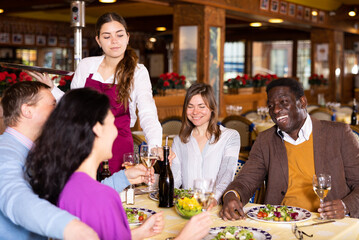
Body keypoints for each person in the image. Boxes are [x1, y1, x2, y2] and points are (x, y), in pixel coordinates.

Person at [25, 88, 212, 240]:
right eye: (113, 124)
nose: (116, 133)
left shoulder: (65, 182)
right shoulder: (103, 199)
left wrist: (137, 234)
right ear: (97, 129)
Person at [0, 81, 152, 240]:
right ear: (27, 110)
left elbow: (79, 195)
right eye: (53, 104)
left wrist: (124, 177)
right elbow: (15, 197)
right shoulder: (4, 151)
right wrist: (70, 227)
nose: (60, 111)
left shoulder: (36, 150)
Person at [219, 78, 359, 221]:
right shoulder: (265, 140)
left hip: (330, 222)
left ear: (302, 102)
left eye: (283, 102)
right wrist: (231, 196)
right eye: (271, 105)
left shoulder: (339, 133)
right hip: (282, 223)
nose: (275, 110)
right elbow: (245, 182)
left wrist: (345, 206)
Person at [30, 12, 162, 174]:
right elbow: (74, 106)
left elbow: (148, 113)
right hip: (84, 143)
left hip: (118, 146)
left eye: (119, 35)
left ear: (127, 37)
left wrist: (155, 146)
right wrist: (52, 89)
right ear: (98, 40)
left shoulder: (138, 71)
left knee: (115, 192)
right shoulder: (86, 65)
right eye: (107, 36)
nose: (114, 41)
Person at [171, 83, 240, 205]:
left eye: (201, 106)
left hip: (216, 207)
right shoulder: (179, 140)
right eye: (190, 106)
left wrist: (213, 199)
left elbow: (227, 173)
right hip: (187, 206)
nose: (195, 112)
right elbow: (175, 179)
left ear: (212, 108)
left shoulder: (230, 136)